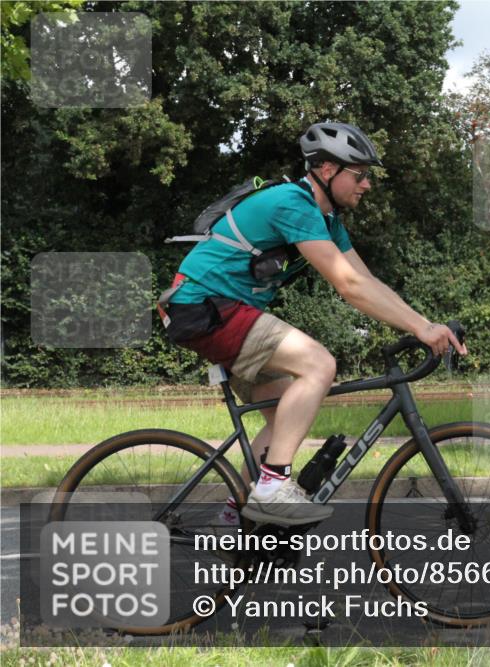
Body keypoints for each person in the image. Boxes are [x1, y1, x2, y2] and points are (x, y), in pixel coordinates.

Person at [159, 121, 467, 526]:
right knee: (318, 364)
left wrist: (424, 325)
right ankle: (271, 488)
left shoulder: (328, 221)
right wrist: (420, 329)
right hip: (205, 307)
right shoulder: (292, 203)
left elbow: (365, 280)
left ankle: (234, 520)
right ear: (327, 170)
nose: (367, 184)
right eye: (360, 174)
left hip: (223, 310)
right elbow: (348, 286)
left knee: (283, 416)